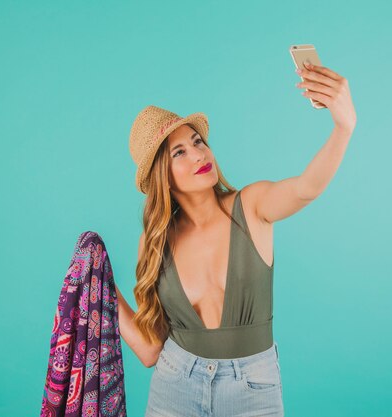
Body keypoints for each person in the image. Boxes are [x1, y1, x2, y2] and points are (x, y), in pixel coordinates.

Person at [117, 61, 356, 416]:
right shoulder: (155, 245)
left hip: (252, 389)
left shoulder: (252, 205)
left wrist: (344, 125)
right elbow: (151, 350)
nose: (199, 154)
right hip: (175, 385)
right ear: (161, 178)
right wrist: (102, 287)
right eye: (179, 152)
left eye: (197, 141)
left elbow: (306, 188)